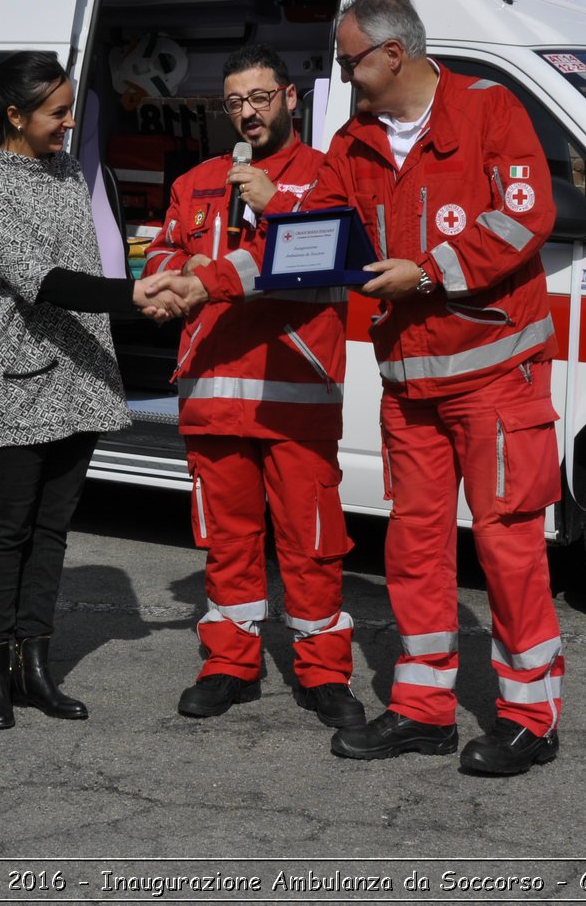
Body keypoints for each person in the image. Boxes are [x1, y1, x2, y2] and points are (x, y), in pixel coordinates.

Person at [310, 0, 564, 776]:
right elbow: (311, 234)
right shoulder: (353, 143)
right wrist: (214, 279)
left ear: (393, 53)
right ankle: (423, 708)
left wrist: (427, 274)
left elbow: (525, 220)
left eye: (351, 59)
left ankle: (532, 716)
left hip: (494, 377)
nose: (344, 73)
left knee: (509, 549)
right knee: (416, 551)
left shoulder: (490, 110)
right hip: (409, 391)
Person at [0, 50, 185, 730]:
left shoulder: (68, 170)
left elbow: (82, 266)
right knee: (4, 532)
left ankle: (33, 665)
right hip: (10, 386)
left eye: (71, 107)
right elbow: (44, 282)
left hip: (74, 380)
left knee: (49, 532)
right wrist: (134, 296)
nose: (70, 123)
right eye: (57, 111)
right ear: (13, 115)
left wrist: (138, 288)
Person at [142, 45, 362, 728]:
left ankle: (323, 671)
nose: (247, 113)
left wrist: (273, 206)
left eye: (260, 98)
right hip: (212, 390)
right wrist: (175, 272)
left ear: (291, 97)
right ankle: (229, 662)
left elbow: (323, 256)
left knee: (312, 541)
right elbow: (163, 249)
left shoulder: (326, 177)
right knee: (227, 539)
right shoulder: (199, 178)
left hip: (293, 390)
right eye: (234, 102)